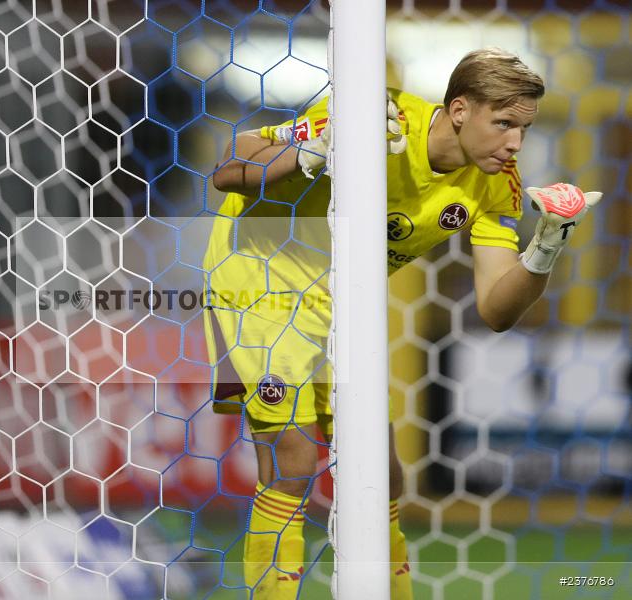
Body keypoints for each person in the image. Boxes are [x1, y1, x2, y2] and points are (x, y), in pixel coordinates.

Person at [203, 48, 601, 600]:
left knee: (381, 473)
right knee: (293, 459)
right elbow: (230, 169)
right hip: (257, 275)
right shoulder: (380, 117)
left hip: (340, 298)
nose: (514, 143)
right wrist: (315, 152)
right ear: (459, 110)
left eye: (524, 129)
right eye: (503, 123)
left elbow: (495, 309)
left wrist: (547, 245)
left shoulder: (498, 182)